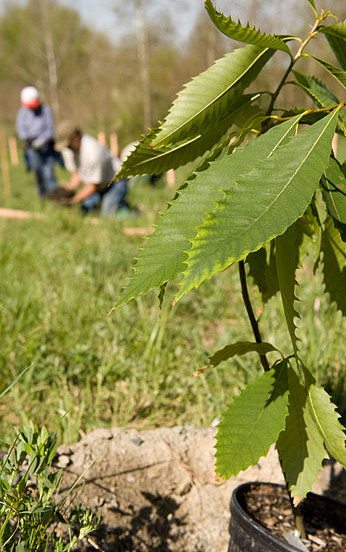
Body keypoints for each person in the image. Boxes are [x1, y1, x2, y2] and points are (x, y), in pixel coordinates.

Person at [58, 126, 131, 217]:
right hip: (98, 184)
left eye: (68, 144)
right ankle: (112, 202)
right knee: (85, 210)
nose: (67, 148)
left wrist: (75, 200)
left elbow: (94, 185)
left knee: (107, 215)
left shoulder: (94, 152)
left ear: (76, 138)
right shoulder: (69, 150)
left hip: (115, 182)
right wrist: (68, 191)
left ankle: (131, 212)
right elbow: (77, 173)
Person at [16, 86, 60, 197]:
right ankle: (43, 196)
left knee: (49, 172)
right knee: (38, 172)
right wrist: (29, 140)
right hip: (31, 148)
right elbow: (21, 130)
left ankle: (55, 196)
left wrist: (42, 140)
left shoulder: (46, 110)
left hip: (46, 146)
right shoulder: (22, 113)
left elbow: (50, 129)